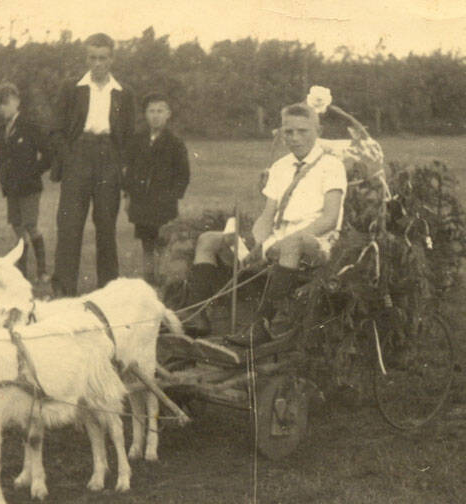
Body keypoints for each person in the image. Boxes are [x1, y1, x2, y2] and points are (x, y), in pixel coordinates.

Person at [183, 103, 347, 344]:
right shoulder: (281, 167)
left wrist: (287, 240)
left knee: (291, 243)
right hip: (278, 238)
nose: (295, 138)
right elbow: (267, 216)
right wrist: (258, 242)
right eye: (288, 132)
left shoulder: (331, 165)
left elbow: (329, 218)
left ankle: (261, 326)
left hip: (317, 240)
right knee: (208, 240)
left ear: (318, 131)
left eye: (303, 131)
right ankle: (197, 317)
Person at [49, 32, 136, 297]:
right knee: (70, 225)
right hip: (78, 155)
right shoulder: (71, 88)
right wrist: (69, 158)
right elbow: (55, 130)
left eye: (103, 58)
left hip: (108, 157)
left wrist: (119, 164)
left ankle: (108, 292)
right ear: (86, 58)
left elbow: (128, 135)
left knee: (107, 225)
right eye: (92, 58)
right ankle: (64, 291)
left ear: (111, 59)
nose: (97, 63)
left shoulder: (123, 93)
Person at [123, 93, 190, 284]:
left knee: (163, 242)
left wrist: (172, 196)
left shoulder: (175, 143)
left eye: (160, 111)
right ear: (145, 114)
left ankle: (163, 278)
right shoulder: (137, 139)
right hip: (142, 201)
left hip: (163, 203)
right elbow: (129, 169)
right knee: (147, 243)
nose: (155, 115)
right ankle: (149, 278)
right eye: (151, 111)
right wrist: (128, 194)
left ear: (168, 114)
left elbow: (183, 175)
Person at [0, 82, 51, 282]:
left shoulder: (29, 126)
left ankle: (42, 271)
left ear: (16, 101)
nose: (2, 109)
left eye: (5, 103)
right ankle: (22, 272)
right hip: (11, 187)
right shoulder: (1, 130)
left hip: (29, 187)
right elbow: (2, 157)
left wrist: (34, 172)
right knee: (17, 226)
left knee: (30, 225)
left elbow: (49, 153)